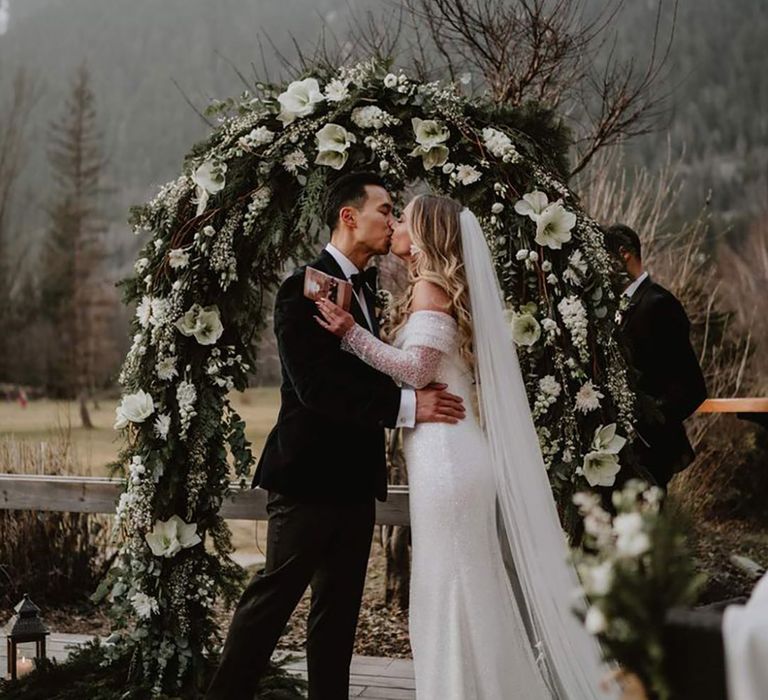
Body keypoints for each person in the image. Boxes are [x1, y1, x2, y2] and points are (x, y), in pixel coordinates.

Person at [316, 194, 615, 699]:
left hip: (448, 461)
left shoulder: (433, 288)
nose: (394, 226)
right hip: (446, 455)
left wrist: (351, 335)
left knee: (451, 588)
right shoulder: (430, 288)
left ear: (426, 233)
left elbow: (417, 371)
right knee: (459, 586)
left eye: (403, 219)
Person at [205, 172, 465, 700]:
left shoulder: (371, 290)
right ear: (349, 217)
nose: (393, 220)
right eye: (385, 210)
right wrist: (409, 405)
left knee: (339, 618)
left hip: (355, 482)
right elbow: (316, 388)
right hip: (306, 479)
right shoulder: (301, 287)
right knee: (271, 604)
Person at [604, 224, 707, 489]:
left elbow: (692, 386)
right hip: (619, 454)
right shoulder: (612, 306)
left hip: (651, 453)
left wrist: (649, 422)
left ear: (624, 254)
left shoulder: (660, 304)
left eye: (604, 258)